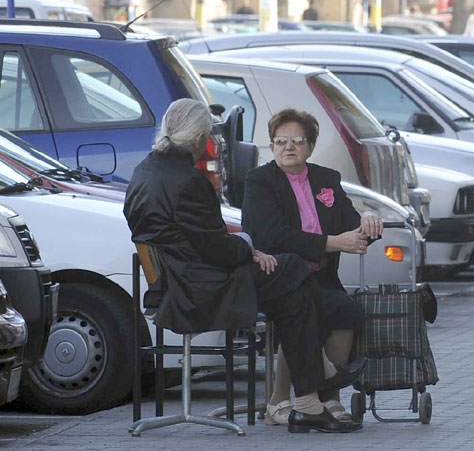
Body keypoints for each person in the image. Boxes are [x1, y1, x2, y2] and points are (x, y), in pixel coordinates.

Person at [123, 99, 361, 433]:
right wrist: (249, 249)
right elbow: (216, 247)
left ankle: (302, 400)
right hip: (200, 289)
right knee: (294, 271)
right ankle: (314, 385)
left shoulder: (143, 172)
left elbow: (199, 240)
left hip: (176, 281)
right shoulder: (189, 181)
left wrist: (247, 250)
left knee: (293, 289)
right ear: (199, 139)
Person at [242, 108, 382, 424]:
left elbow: (350, 225)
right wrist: (333, 243)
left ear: (311, 146)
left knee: (345, 310)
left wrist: (368, 221)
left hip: (319, 276)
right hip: (275, 276)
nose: (288, 147)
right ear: (272, 146)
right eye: (280, 141)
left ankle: (329, 397)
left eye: (297, 140)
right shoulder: (260, 181)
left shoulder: (325, 179)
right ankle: (278, 401)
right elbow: (274, 236)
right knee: (303, 312)